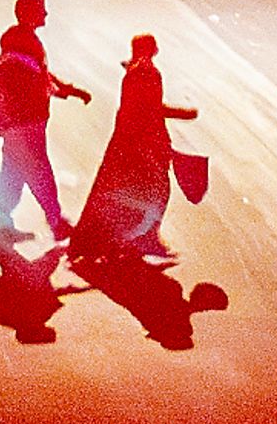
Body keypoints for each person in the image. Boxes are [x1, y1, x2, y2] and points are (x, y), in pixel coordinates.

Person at [69, 33, 198, 271]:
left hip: (126, 140)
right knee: (157, 192)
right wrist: (183, 114)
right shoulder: (147, 72)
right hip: (144, 141)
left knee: (120, 190)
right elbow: (149, 109)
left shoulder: (133, 71)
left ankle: (111, 240)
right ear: (152, 50)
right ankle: (142, 239)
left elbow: (134, 109)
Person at [0, 0, 90, 246]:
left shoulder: (22, 39)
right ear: (28, 12)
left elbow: (40, 74)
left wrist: (68, 89)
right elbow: (31, 77)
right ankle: (55, 222)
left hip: (17, 121)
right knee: (37, 169)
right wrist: (64, 90)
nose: (45, 13)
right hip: (24, 121)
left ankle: (3, 226)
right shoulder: (18, 40)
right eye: (41, 9)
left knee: (13, 172)